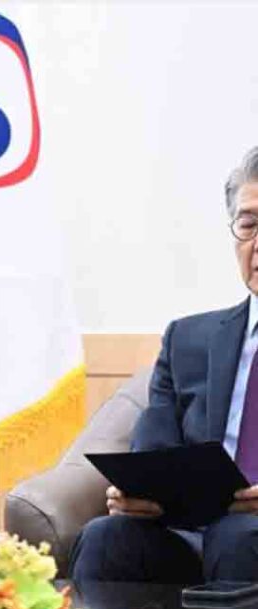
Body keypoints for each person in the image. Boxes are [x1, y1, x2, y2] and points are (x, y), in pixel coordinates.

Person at [70, 147, 258, 585]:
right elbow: (153, 449)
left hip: (246, 541)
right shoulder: (187, 340)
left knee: (240, 540)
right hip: (190, 531)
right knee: (106, 538)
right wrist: (136, 493)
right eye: (249, 225)